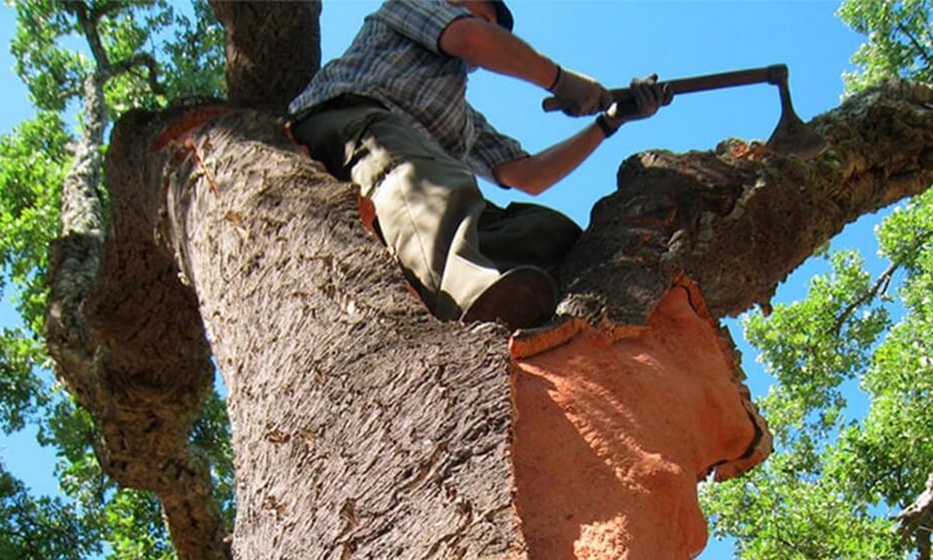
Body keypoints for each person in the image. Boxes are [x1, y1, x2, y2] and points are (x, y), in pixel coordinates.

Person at [288, 0, 672, 329]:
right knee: (430, 181)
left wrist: (609, 122)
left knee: (547, 231)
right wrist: (560, 80)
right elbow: (470, 38)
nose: (484, 28)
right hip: (347, 125)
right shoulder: (406, 9)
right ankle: (468, 293)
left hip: (421, 167)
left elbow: (528, 175)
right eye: (479, 13)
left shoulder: (460, 119)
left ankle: (551, 304)